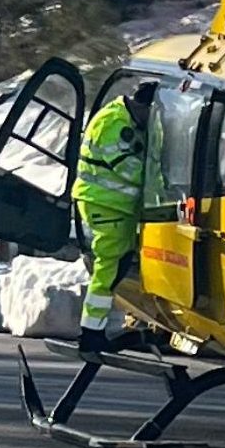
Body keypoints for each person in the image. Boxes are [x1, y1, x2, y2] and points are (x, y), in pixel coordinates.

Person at [71, 81, 157, 355]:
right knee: (110, 267)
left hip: (112, 206)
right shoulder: (114, 125)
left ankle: (94, 330)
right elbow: (130, 169)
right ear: (142, 107)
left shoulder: (121, 118)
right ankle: (92, 333)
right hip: (107, 206)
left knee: (115, 265)